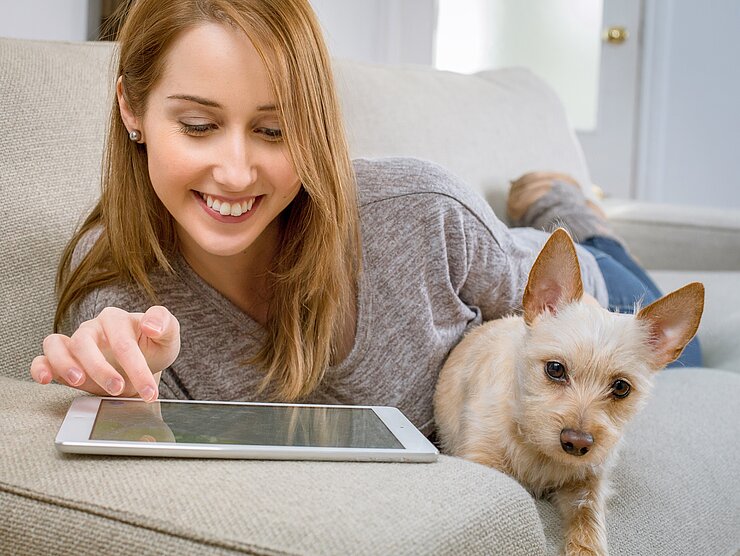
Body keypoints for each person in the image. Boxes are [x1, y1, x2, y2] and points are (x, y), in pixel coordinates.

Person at [28, 0, 700, 437]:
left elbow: (569, 304)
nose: (235, 172)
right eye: (199, 125)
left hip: (579, 286)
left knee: (677, 340)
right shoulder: (116, 316)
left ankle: (569, 209)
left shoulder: (420, 213)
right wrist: (131, 402)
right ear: (132, 110)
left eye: (273, 131)